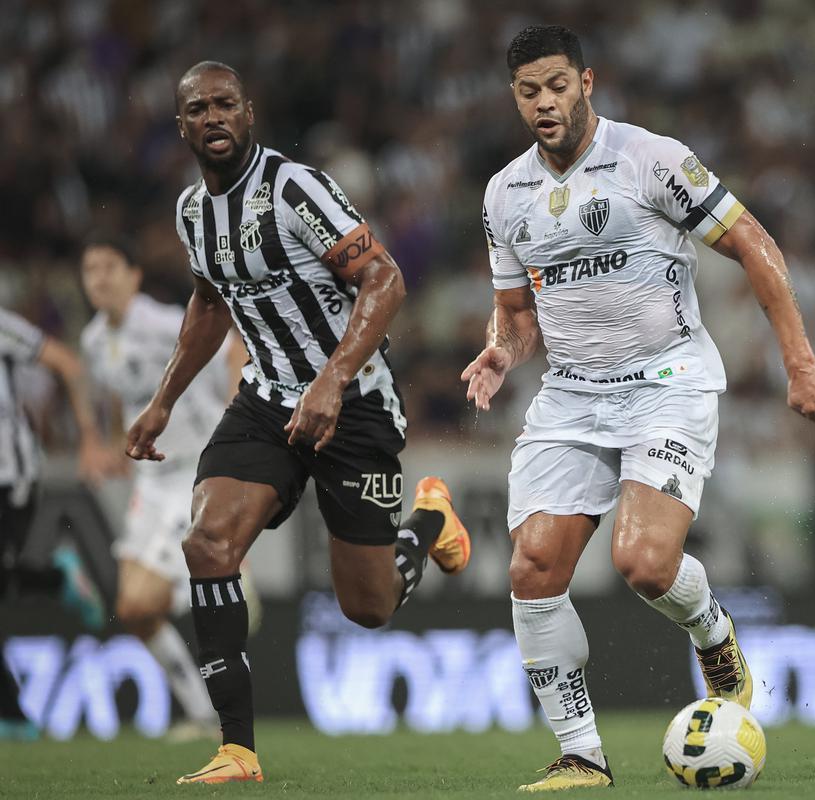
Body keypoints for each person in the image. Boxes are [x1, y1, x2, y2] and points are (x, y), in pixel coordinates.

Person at [461, 26, 815, 791]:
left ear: (586, 82)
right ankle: (581, 755)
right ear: (514, 98)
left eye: (556, 86)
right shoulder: (504, 193)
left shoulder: (650, 159)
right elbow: (516, 313)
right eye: (529, 91)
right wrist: (500, 351)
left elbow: (753, 242)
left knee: (641, 563)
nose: (544, 103)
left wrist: (799, 359)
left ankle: (710, 629)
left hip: (666, 381)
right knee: (532, 567)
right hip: (570, 394)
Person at [125, 61, 471, 784]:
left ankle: (430, 520)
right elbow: (210, 305)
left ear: (247, 113)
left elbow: (384, 279)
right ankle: (237, 749)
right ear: (181, 125)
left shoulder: (294, 189)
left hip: (354, 402)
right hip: (265, 400)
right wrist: (162, 401)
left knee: (368, 608)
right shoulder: (193, 211)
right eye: (198, 109)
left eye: (225, 104)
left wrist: (332, 380)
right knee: (208, 543)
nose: (214, 117)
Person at [79, 233, 252, 741]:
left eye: (109, 266)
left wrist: (237, 411)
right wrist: (115, 439)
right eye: (90, 269)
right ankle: (201, 714)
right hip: (149, 480)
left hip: (194, 470)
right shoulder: (93, 340)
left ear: (134, 276)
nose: (99, 279)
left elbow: (234, 345)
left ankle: (226, 580)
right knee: (134, 612)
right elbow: (122, 394)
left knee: (142, 601)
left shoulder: (161, 323)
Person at [0, 306, 110, 740]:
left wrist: (88, 437)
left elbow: (67, 362)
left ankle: (13, 717)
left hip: (10, 478)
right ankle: (54, 578)